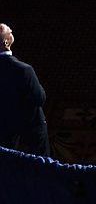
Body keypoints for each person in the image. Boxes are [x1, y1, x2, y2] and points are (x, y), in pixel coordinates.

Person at [0, 23, 49, 156]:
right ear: (5, 42)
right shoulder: (23, 70)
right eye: (10, 31)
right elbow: (40, 98)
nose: (12, 32)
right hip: (29, 134)